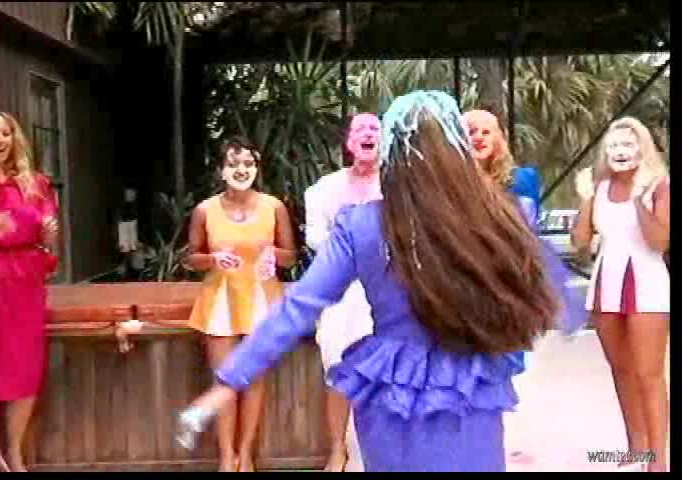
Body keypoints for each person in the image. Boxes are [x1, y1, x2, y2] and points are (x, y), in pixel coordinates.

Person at [178, 91, 585, 472]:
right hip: (466, 385)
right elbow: (550, 286)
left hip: (391, 389)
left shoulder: (362, 225)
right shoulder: (500, 214)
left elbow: (301, 304)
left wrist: (231, 378)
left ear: (391, 152)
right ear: (457, 150)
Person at [185, 135, 297, 472]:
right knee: (224, 378)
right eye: (233, 163)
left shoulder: (274, 207)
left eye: (248, 163)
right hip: (220, 299)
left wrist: (272, 255)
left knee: (255, 379)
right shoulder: (204, 210)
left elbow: (291, 256)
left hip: (262, 299)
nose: (241, 169)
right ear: (221, 170)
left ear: (257, 168)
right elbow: (191, 258)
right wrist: (213, 259)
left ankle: (246, 455)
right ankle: (226, 456)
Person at [572, 117, 669, 472]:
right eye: (614, 145)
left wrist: (640, 200)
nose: (620, 151)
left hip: (647, 283)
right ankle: (636, 447)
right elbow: (580, 243)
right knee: (621, 370)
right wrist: (585, 199)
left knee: (648, 375)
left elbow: (659, 242)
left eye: (628, 144)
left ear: (642, 149)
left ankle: (657, 460)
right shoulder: (598, 186)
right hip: (606, 283)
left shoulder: (659, 186)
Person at [0, 109, 59, 472]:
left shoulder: (35, 184)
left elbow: (49, 243)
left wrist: (49, 239)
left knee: (24, 371)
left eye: (5, 133)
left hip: (24, 285)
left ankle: (13, 453)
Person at [305, 112, 381, 472]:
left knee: (385, 369)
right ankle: (338, 448)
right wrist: (351, 247)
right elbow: (314, 237)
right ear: (349, 142)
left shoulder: (400, 185)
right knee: (337, 366)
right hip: (341, 289)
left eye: (375, 128)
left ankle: (379, 452)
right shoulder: (325, 188)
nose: (368, 134)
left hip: (387, 288)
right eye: (360, 129)